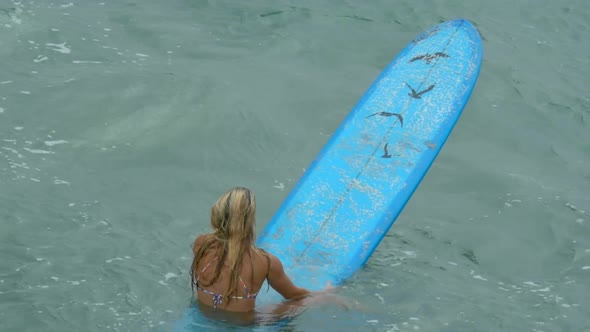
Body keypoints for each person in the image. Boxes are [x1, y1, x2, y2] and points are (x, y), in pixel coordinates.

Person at [190, 187, 312, 314]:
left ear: (218, 213)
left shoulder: (202, 245)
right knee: (300, 302)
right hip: (242, 327)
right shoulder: (265, 262)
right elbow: (294, 295)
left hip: (203, 316)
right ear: (250, 222)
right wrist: (321, 294)